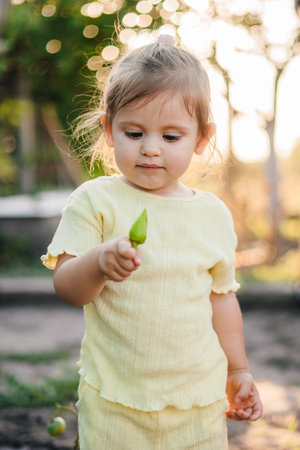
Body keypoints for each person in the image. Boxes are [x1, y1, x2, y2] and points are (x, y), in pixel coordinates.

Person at [42, 35, 263, 449]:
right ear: (109, 129)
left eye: (171, 137)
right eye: (134, 132)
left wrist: (238, 369)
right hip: (116, 403)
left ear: (201, 137)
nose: (150, 149)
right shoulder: (96, 201)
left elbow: (221, 298)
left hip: (196, 403)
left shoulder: (212, 214)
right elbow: (67, 287)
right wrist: (98, 263)